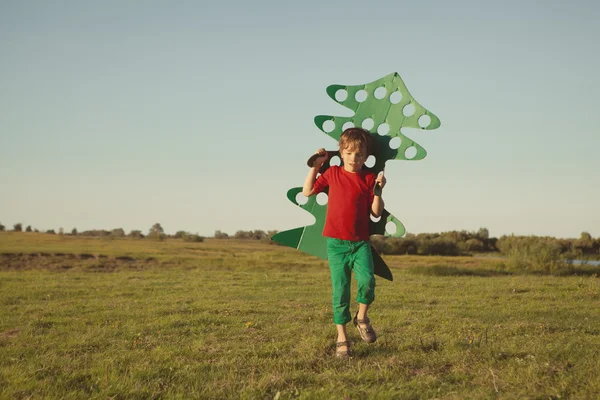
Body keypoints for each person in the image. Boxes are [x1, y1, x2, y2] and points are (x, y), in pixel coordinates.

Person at [302, 127, 386, 358]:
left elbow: (376, 213)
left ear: (366, 157)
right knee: (340, 291)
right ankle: (342, 337)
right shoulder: (333, 174)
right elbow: (307, 191)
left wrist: (378, 191)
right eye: (349, 153)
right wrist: (316, 166)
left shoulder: (369, 178)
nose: (353, 159)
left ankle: (362, 317)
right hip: (336, 244)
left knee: (368, 281)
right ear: (341, 153)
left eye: (359, 155)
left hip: (360, 244)